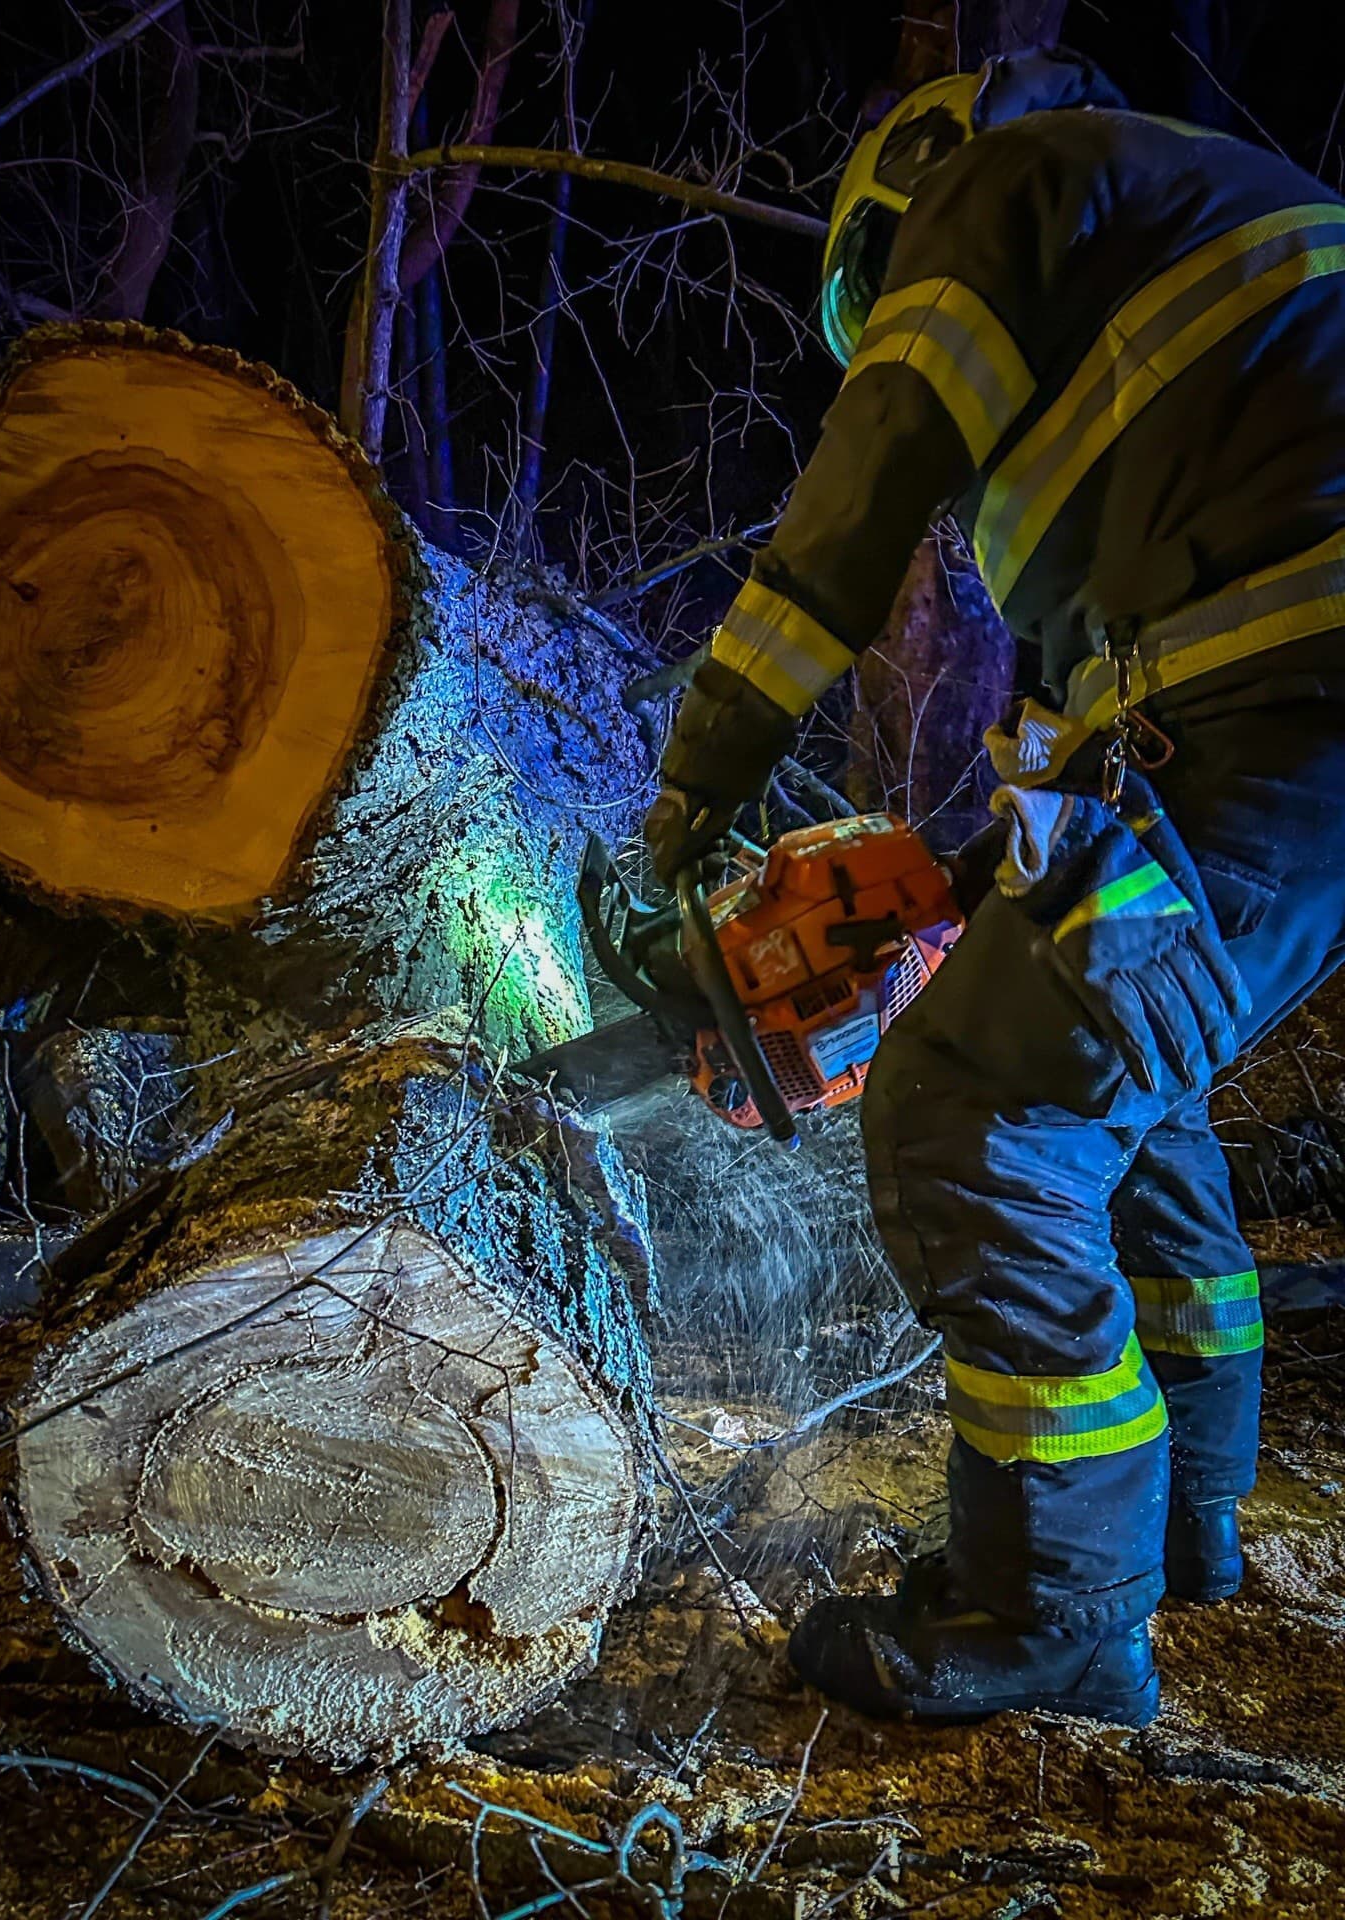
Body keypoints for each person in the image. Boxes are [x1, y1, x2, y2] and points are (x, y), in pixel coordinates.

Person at [644, 46, 1345, 1727]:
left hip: (1286, 696)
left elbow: (862, 484)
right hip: (1285, 711)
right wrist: (951, 886)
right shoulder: (1179, 270)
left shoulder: (1006, 190)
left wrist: (701, 782)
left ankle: (1054, 1613)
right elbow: (1092, 717)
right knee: (1127, 1099)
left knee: (973, 1108)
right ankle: (1186, 1524)